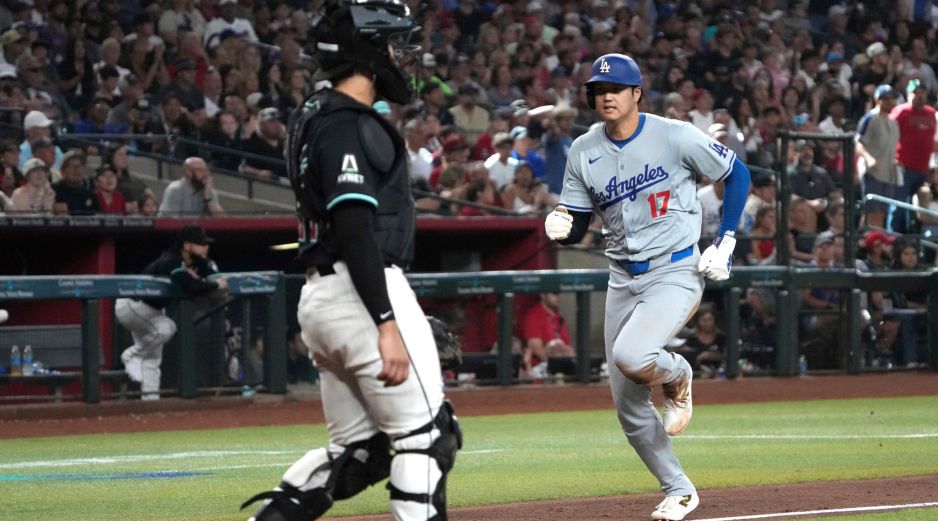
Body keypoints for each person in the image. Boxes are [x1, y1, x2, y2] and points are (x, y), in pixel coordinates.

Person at [242, 2, 462, 520]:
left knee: (360, 454)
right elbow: (356, 229)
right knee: (428, 439)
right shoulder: (346, 123)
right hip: (360, 291)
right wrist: (385, 321)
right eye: (393, 44)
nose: (402, 56)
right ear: (366, 52)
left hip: (321, 299)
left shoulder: (312, 114)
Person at [544, 53, 750, 521]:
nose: (607, 96)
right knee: (627, 404)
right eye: (599, 90)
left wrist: (728, 239)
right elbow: (576, 222)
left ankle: (677, 374)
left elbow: (736, 173)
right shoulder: (583, 150)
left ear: (638, 93)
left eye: (616, 88)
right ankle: (679, 490)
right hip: (623, 277)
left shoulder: (673, 135)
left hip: (675, 271)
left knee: (633, 357)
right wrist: (564, 222)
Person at [114, 224, 227, 400]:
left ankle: (150, 403)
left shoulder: (199, 263)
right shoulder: (170, 259)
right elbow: (193, 286)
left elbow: (221, 283)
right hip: (131, 305)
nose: (206, 247)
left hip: (151, 310)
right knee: (166, 328)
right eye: (201, 243)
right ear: (187, 246)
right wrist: (212, 284)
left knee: (153, 360)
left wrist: (212, 283)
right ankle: (132, 355)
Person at [856, 85, 900, 230]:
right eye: (885, 98)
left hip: (888, 173)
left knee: (882, 212)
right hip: (872, 172)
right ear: (877, 100)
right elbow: (858, 143)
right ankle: (864, 242)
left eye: (891, 99)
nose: (889, 102)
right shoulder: (870, 118)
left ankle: (878, 242)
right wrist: (869, 159)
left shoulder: (893, 122)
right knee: (871, 211)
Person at [521, 292, 576, 379]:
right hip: (539, 372)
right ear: (542, 295)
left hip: (561, 371)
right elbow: (536, 349)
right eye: (553, 293)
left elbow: (568, 348)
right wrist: (558, 364)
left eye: (557, 293)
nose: (557, 297)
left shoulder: (560, 319)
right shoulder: (534, 316)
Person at [157, 156, 224, 217]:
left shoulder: (209, 191)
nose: (205, 174)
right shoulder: (175, 189)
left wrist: (207, 197)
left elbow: (221, 219)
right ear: (188, 172)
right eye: (200, 170)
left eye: (206, 170)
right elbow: (171, 220)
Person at [52, 150, 98, 215]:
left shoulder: (89, 192)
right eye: (71, 166)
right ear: (63, 170)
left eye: (80, 166)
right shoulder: (53, 191)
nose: (77, 169)